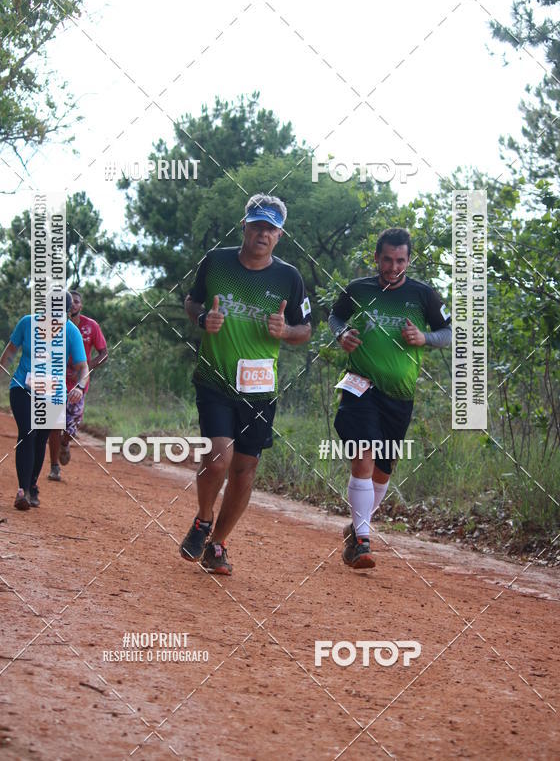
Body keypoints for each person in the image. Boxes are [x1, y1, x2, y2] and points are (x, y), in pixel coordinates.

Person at [179, 194, 312, 575]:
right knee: (218, 457)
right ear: (244, 226)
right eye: (257, 225)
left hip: (259, 387)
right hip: (215, 378)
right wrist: (203, 317)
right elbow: (191, 301)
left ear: (280, 235)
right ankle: (203, 521)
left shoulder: (289, 277)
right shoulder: (216, 261)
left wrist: (285, 330)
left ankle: (217, 545)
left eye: (270, 228)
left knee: (244, 470)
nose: (262, 233)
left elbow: (305, 330)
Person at [328, 227, 452, 570]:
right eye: (387, 260)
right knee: (364, 451)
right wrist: (342, 333)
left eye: (400, 260)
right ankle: (363, 542)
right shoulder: (358, 289)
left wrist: (424, 337)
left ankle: (357, 528)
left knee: (383, 470)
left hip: (400, 395)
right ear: (376, 258)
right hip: (360, 385)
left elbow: (450, 332)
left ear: (408, 260)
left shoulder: (423, 295)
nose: (393, 267)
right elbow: (335, 316)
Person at [0, 292, 88, 510]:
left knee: (41, 439)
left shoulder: (71, 332)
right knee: (28, 432)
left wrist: (80, 387)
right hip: (23, 386)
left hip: (53, 392)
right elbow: (10, 352)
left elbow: (83, 367)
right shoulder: (27, 323)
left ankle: (32, 484)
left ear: (69, 312)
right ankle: (22, 491)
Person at [48, 290, 108, 481]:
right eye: (70, 301)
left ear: (80, 306)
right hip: (56, 382)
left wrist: (86, 367)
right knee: (54, 424)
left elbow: (104, 353)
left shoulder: (91, 326)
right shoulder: (53, 325)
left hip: (79, 385)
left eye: (76, 302)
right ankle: (54, 466)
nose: (73, 304)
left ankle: (65, 443)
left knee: (71, 428)